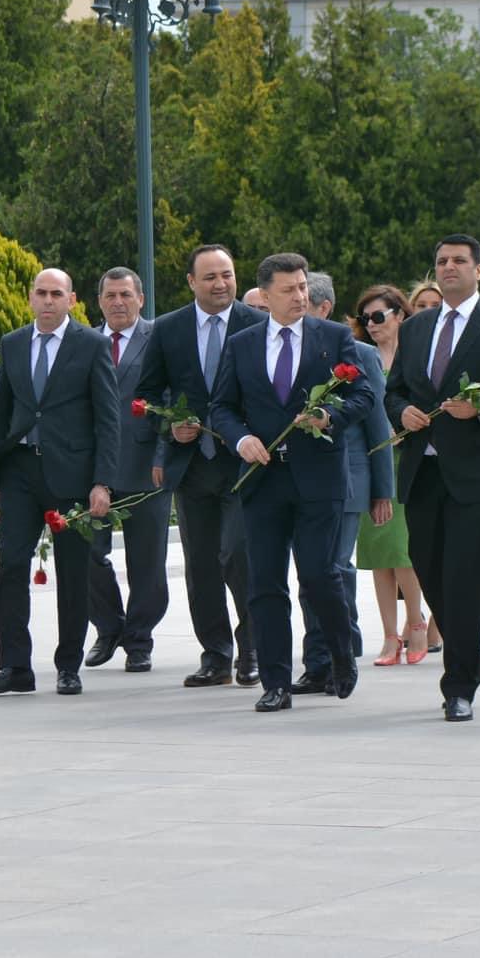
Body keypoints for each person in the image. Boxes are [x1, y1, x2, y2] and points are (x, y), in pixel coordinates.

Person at [384, 234, 480, 722]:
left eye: (458, 261)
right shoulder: (416, 328)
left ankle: (458, 686)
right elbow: (394, 393)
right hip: (424, 469)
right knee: (428, 568)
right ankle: (472, 655)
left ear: (479, 270)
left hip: (478, 474)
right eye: (441, 261)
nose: (448, 267)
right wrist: (404, 412)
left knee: (466, 579)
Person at [210, 254, 373, 711]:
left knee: (321, 576)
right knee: (264, 582)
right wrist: (240, 439)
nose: (300, 296)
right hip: (263, 479)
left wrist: (328, 415)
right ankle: (276, 682)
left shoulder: (334, 337)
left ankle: (341, 656)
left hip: (318, 477)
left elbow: (362, 394)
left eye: (302, 286)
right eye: (289, 289)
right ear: (264, 295)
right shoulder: (242, 344)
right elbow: (221, 406)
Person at [0, 269, 119, 696]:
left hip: (72, 477)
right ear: (30, 298)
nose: (48, 301)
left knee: (73, 573)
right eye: (41, 293)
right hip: (19, 471)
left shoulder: (92, 345)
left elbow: (108, 420)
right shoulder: (14, 344)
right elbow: (1, 416)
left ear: (72, 300)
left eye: (57, 294)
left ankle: (68, 666)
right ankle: (15, 666)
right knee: (11, 565)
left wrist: (102, 483)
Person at [137, 245, 266, 688]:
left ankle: (252, 647)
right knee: (202, 565)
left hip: (242, 463)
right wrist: (170, 428)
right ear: (191, 282)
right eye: (210, 277)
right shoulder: (168, 329)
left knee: (238, 555)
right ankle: (215, 654)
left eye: (227, 275)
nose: (221, 284)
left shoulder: (257, 324)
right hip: (191, 466)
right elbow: (148, 394)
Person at [296, 271, 396, 692]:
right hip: (304, 483)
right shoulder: (290, 356)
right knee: (311, 575)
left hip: (351, 481)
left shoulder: (359, 355)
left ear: (322, 309)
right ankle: (320, 658)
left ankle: (340, 652)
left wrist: (383, 490)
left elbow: (378, 427)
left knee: (333, 569)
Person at [84, 268, 171, 675]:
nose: (118, 302)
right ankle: (109, 627)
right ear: (98, 301)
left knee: (146, 563)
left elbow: (170, 402)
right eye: (110, 295)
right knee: (85, 554)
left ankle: (139, 640)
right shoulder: (83, 342)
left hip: (145, 467)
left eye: (125, 294)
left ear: (140, 299)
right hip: (92, 468)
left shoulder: (161, 339)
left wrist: (162, 456)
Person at [350, 283, 433, 665]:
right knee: (377, 552)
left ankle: (416, 625)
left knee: (403, 550)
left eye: (379, 316)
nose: (371, 324)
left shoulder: (418, 355)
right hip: (371, 461)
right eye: (365, 318)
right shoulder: (357, 357)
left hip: (409, 462)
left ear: (400, 315)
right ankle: (388, 635)